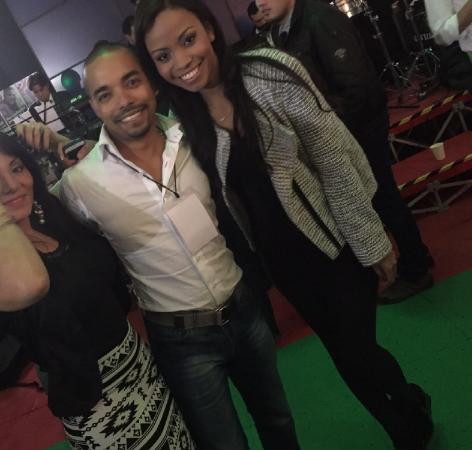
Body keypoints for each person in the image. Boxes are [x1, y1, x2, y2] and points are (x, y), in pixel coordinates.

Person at [133, 1, 433, 449]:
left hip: (335, 243)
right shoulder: (185, 124)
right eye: (163, 56)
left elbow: (332, 157)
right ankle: (406, 412)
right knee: (344, 353)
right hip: (285, 266)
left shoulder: (268, 71)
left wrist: (371, 240)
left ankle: (408, 421)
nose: (181, 61)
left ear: (210, 30)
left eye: (187, 39)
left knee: (357, 351)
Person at [19, 42, 300, 450]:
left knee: (278, 419)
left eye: (131, 81)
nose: (123, 100)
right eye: (105, 94)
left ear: (150, 83)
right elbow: (32, 220)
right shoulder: (81, 183)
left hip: (243, 308)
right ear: (93, 106)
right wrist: (22, 156)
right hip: (181, 340)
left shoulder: (193, 135)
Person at [0, 128, 195, 449]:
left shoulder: (49, 213)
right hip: (100, 408)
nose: (12, 185)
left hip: (142, 368)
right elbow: (29, 284)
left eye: (16, 168)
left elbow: (114, 171)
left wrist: (59, 142)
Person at [254, 0, 433, 303]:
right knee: (377, 198)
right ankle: (403, 263)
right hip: (341, 128)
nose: (259, 3)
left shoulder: (319, 19)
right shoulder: (280, 29)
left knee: (383, 197)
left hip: (359, 126)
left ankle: (416, 267)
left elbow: (355, 87)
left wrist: (321, 128)